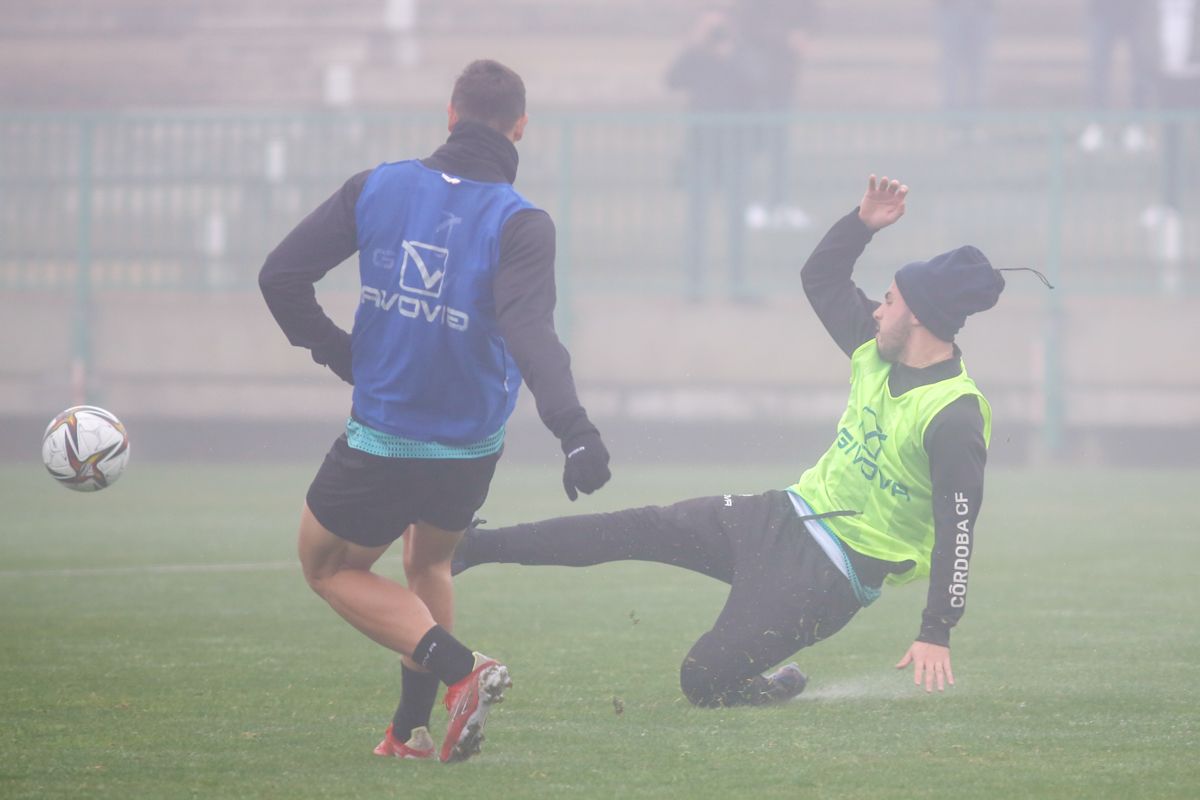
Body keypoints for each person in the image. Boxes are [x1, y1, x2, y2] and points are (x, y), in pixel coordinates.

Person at [454, 175, 1008, 705]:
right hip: (782, 514)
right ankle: (474, 548)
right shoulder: (876, 345)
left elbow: (957, 530)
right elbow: (820, 277)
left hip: (829, 577)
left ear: (916, 317)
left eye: (888, 300)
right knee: (635, 527)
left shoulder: (954, 413)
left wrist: (937, 629)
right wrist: (861, 223)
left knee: (702, 680)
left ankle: (773, 685)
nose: (877, 307)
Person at [258, 59, 612, 761]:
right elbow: (531, 333)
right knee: (428, 566)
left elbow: (280, 276)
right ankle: (409, 731)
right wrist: (576, 430)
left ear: (449, 114)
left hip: (385, 439)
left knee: (327, 567)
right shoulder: (524, 223)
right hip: (471, 450)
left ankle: (462, 671)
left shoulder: (379, 186)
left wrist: (337, 351)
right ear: (520, 128)